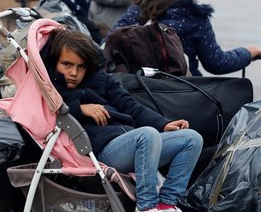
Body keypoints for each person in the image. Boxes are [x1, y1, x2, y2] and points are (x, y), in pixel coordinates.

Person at [44, 27, 203, 212]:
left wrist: (164, 123)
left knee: (191, 139)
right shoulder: (51, 89)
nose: (74, 72)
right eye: (67, 64)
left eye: (81, 66)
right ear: (55, 62)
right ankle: (146, 206)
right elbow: (48, 114)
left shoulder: (99, 79)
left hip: (131, 139)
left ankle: (167, 203)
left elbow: (130, 105)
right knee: (147, 135)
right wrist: (79, 108)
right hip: (99, 151)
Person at [112, 0, 261, 76]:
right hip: (184, 90)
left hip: (142, 89)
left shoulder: (141, 12)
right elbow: (216, 63)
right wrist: (247, 53)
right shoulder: (196, 18)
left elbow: (111, 41)